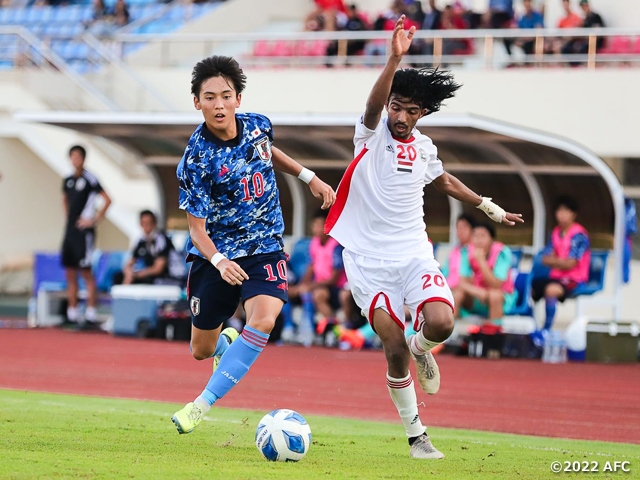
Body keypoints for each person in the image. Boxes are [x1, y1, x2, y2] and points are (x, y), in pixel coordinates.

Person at [324, 15, 523, 459]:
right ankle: (417, 436)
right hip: (367, 261)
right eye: (397, 106)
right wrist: (395, 57)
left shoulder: (426, 148)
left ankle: (423, 348)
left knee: (441, 324)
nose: (399, 115)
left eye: (410, 110)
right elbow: (373, 107)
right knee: (391, 346)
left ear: (422, 114)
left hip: (414, 253)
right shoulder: (370, 134)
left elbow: (445, 181)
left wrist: (487, 205)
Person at [171, 55, 335, 434]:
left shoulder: (259, 125)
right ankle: (226, 340)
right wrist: (219, 261)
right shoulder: (195, 159)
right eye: (208, 97)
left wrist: (309, 176)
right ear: (197, 102)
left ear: (238, 100)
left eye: (225, 96)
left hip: (266, 246)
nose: (218, 104)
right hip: (217, 255)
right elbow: (196, 230)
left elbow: (267, 151)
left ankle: (200, 405)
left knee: (263, 319)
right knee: (201, 350)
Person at [61, 145, 111, 327]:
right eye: (72, 156)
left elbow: (107, 199)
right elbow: (65, 199)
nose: (75, 160)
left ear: (83, 158)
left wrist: (93, 220)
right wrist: (68, 218)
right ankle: (72, 313)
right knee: (70, 272)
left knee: (86, 272)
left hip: (84, 234)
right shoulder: (67, 180)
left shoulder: (90, 179)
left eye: (78, 156)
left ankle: (90, 314)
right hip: (71, 232)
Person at [531, 196, 590, 332]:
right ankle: (532, 328)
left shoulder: (579, 235)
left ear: (573, 214)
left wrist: (555, 261)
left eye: (566, 211)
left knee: (551, 290)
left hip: (575, 278)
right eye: (559, 211)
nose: (561, 215)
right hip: (556, 276)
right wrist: (560, 262)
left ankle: (546, 330)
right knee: (529, 287)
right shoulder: (556, 232)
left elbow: (571, 264)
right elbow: (544, 258)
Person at [293, 209, 347, 342]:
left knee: (319, 294)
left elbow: (333, 279)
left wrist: (309, 286)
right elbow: (311, 267)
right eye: (314, 226)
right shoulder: (314, 243)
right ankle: (294, 328)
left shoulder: (336, 246)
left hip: (336, 288)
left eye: (319, 225)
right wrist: (302, 285)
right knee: (288, 291)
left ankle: (336, 330)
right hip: (319, 285)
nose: (316, 229)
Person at [452, 222, 516, 325]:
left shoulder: (502, 252)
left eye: (482, 236)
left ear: (491, 238)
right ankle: (449, 332)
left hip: (501, 297)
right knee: (457, 293)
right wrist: (479, 292)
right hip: (478, 295)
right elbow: (462, 282)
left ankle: (494, 334)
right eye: (475, 236)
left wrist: (481, 261)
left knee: (494, 295)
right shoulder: (466, 251)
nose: (478, 240)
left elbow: (496, 284)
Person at [114, 210, 183, 286]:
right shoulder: (141, 242)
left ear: (154, 223)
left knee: (148, 280)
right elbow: (130, 263)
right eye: (143, 223)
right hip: (151, 275)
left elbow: (158, 269)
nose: (146, 226)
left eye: (148, 223)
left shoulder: (162, 240)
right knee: (118, 277)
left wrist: (137, 275)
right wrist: (128, 273)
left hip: (169, 277)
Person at [441, 214, 476, 289]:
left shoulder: (476, 250)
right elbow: (445, 273)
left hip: (467, 290)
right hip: (448, 288)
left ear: (472, 230)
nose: (460, 231)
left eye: (464, 227)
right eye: (458, 228)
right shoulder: (453, 252)